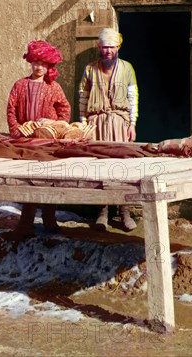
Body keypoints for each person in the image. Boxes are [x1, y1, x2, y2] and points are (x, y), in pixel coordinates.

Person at [5, 40, 71, 239]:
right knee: (29, 180)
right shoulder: (20, 85)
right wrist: (16, 130)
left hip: (48, 144)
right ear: (30, 63)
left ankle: (49, 220)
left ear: (49, 66)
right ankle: (26, 223)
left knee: (48, 180)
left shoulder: (54, 87)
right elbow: (11, 110)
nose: (38, 67)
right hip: (26, 143)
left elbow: (64, 109)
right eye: (35, 63)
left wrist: (57, 128)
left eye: (43, 64)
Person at [79, 28, 139, 231]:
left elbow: (133, 98)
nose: (107, 51)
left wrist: (132, 123)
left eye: (111, 47)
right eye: (104, 47)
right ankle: (102, 212)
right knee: (99, 168)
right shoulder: (89, 69)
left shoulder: (127, 69)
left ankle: (124, 212)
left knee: (122, 166)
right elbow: (83, 97)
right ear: (99, 47)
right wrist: (83, 124)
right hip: (96, 124)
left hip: (119, 123)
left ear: (118, 47)